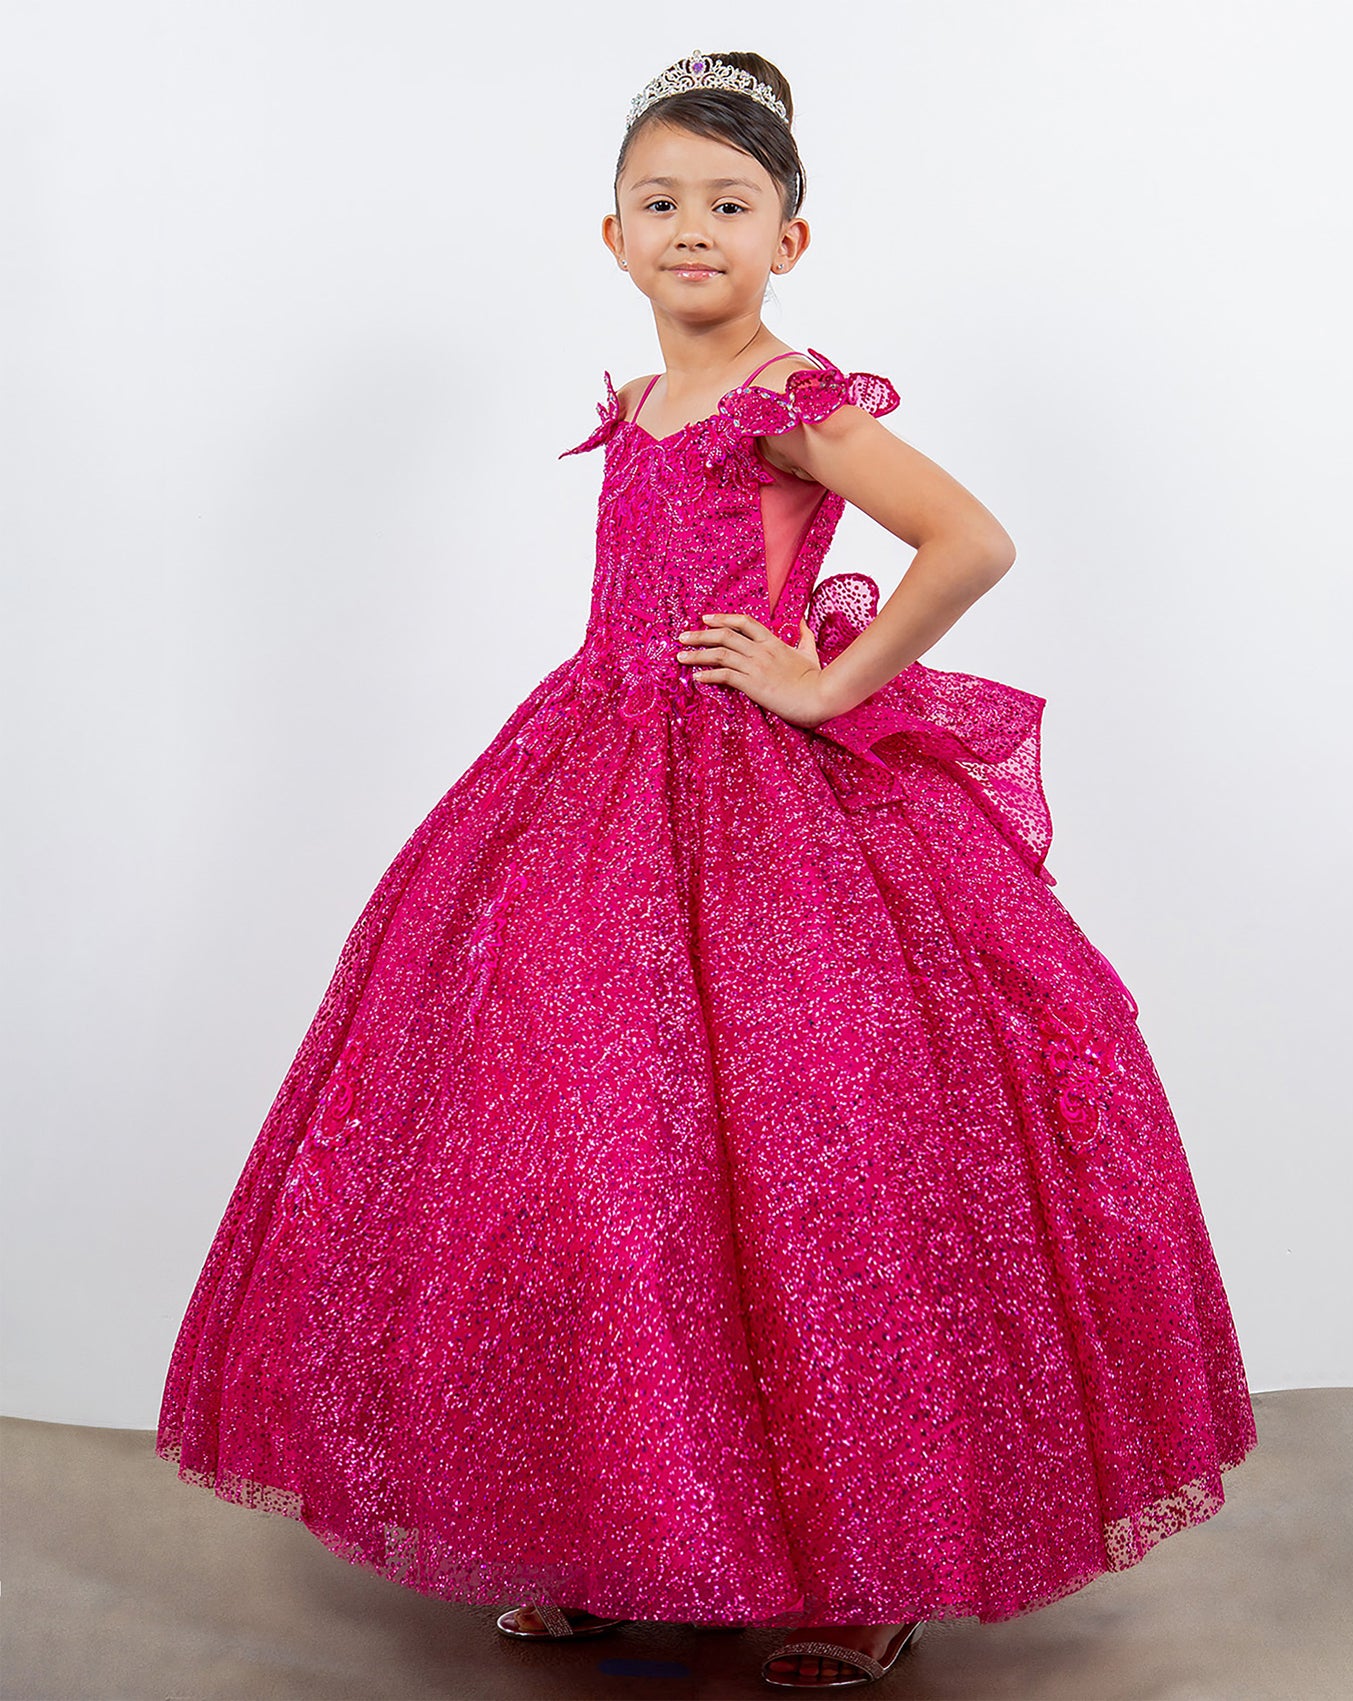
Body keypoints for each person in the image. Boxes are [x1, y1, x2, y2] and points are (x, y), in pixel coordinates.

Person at [155, 46, 1258, 1693]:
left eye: (728, 205)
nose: (693, 230)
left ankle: (853, 1564)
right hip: (587, 771)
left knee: (816, 1156)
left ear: (787, 242)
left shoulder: (789, 401)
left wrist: (825, 680)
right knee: (585, 1144)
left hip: (751, 805)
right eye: (659, 203)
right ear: (608, 236)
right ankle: (608, 1532)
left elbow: (968, 539)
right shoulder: (641, 398)